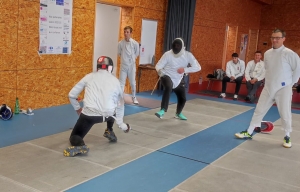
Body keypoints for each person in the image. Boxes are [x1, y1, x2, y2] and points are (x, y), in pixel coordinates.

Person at [235, 29, 300, 148]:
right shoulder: (267, 53)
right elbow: (267, 70)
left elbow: (297, 70)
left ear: (283, 38)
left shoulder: (289, 53)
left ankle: (287, 136)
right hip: (269, 87)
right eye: (273, 37)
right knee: (259, 110)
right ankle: (249, 132)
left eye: (278, 38)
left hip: (283, 88)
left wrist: (291, 84)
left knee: (285, 113)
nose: (274, 40)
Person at [64, 56, 131, 157]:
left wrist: (77, 108)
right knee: (112, 108)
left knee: (75, 136)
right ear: (110, 68)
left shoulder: (89, 76)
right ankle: (109, 129)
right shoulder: (116, 81)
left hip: (90, 116)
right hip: (109, 115)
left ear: (98, 67)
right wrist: (123, 126)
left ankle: (80, 145)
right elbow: (120, 104)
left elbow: (72, 95)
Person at [154, 38, 201, 120]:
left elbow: (198, 67)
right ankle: (162, 110)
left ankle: (178, 113)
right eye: (175, 45)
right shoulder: (167, 54)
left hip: (178, 79)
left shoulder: (188, 55)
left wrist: (185, 69)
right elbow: (158, 65)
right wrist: (160, 71)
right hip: (167, 75)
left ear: (182, 46)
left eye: (178, 45)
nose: (176, 47)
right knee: (168, 86)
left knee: (183, 98)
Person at [118, 26, 140, 104]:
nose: (125, 33)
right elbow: (119, 53)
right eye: (124, 32)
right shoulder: (120, 43)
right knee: (121, 83)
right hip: (123, 66)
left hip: (131, 66)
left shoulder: (135, 44)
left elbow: (137, 53)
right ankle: (120, 98)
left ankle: (134, 97)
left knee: (132, 83)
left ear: (130, 33)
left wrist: (131, 60)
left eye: (127, 32)